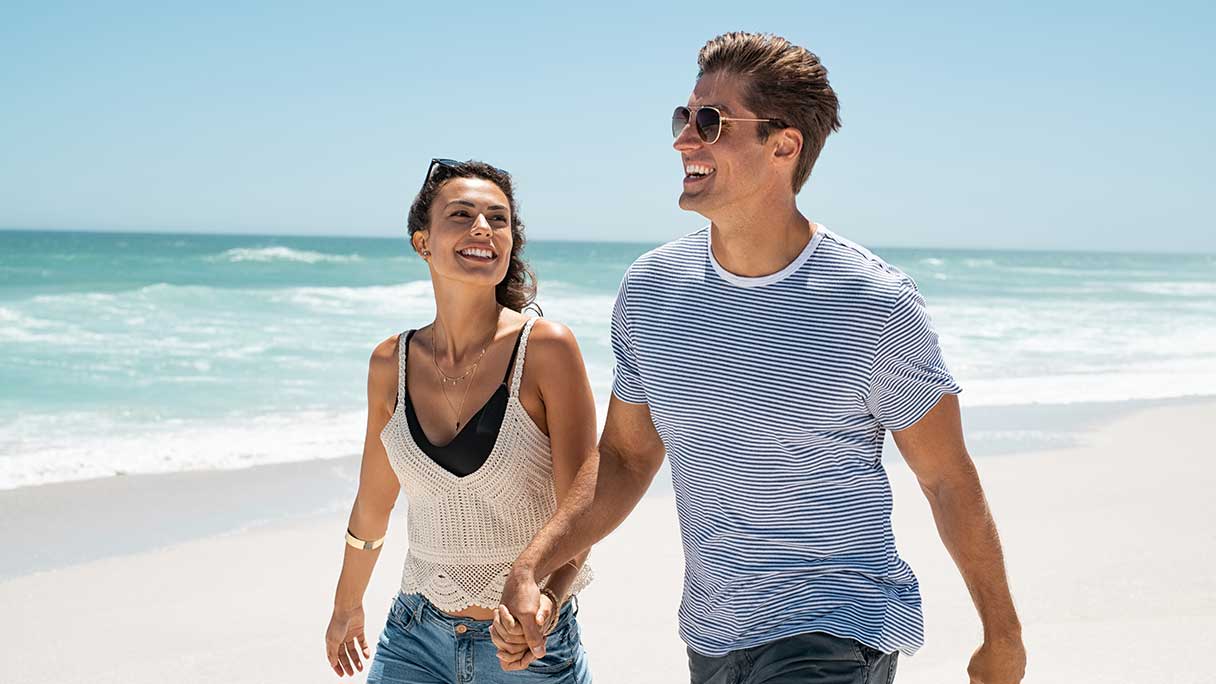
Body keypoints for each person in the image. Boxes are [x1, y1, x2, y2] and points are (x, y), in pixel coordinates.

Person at [492, 33, 1027, 684]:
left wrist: (1002, 635)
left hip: (837, 627)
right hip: (714, 634)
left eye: (711, 122)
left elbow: (947, 478)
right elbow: (628, 459)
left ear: (783, 146)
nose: (684, 139)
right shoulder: (652, 290)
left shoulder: (875, 305)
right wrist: (531, 569)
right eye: (684, 118)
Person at [324, 159, 596, 683]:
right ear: (422, 243)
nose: (482, 228)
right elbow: (372, 504)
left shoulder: (545, 351)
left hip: (526, 646)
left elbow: (583, 505)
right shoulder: (390, 364)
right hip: (413, 635)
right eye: (462, 214)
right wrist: (347, 605)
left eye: (498, 218)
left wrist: (546, 597)